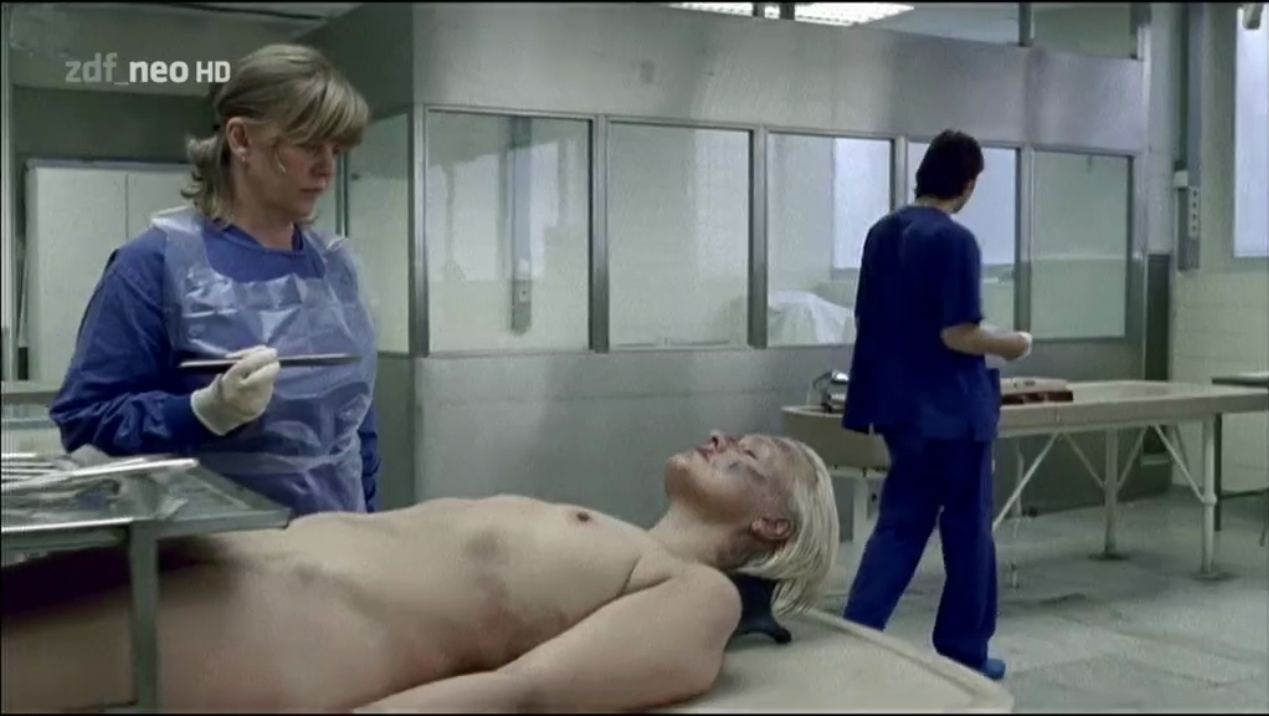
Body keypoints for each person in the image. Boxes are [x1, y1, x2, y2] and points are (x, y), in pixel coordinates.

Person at [1, 432, 839, 713]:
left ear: (774, 524)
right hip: (230, 561)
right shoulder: (617, 538)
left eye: (752, 454)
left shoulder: (701, 597)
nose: (723, 439)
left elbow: (525, 694)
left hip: (272, 628)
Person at [48, 44, 382, 517]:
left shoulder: (337, 270)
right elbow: (84, 420)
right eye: (309, 145)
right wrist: (204, 411)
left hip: (332, 539)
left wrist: (369, 528)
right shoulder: (155, 265)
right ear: (241, 140)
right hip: (206, 548)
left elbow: (359, 426)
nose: (327, 168)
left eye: (337, 150)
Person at [839, 129, 1032, 682]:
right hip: (953, 415)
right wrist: (1013, 344)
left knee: (899, 527)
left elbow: (870, 320)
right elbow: (958, 334)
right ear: (967, 184)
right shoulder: (954, 241)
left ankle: (855, 634)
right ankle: (964, 651)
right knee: (968, 534)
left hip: (898, 411)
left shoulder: (882, 233)